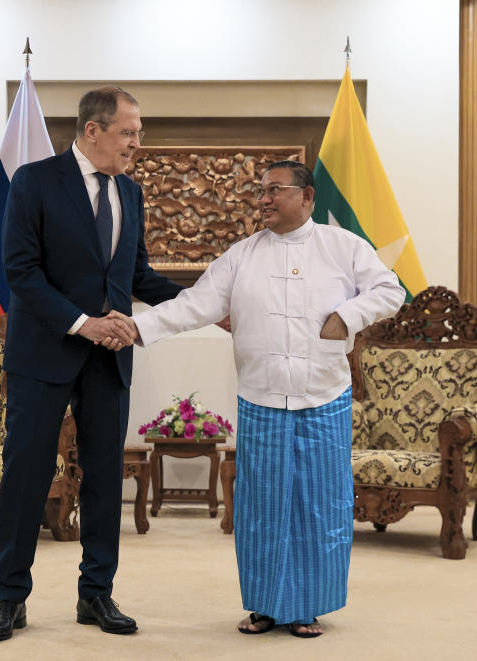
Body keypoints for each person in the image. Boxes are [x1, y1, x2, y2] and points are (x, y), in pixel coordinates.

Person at [118, 161, 405, 638]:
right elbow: (195, 304)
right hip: (261, 398)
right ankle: (266, 606)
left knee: (318, 505)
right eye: (261, 191)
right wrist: (136, 327)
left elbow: (389, 290)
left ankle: (308, 606)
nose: (264, 199)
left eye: (275, 190)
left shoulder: (344, 247)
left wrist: (347, 315)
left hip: (324, 397)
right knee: (263, 507)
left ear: (307, 197)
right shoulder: (241, 255)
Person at [0, 87, 182, 642]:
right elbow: (21, 272)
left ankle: (97, 595)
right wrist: (82, 323)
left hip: (108, 363)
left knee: (102, 481)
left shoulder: (132, 194)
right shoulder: (34, 181)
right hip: (43, 355)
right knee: (26, 476)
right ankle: (10, 599)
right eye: (129, 133)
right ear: (93, 131)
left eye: (138, 134)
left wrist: (212, 303)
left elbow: (136, 276)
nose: (137, 144)